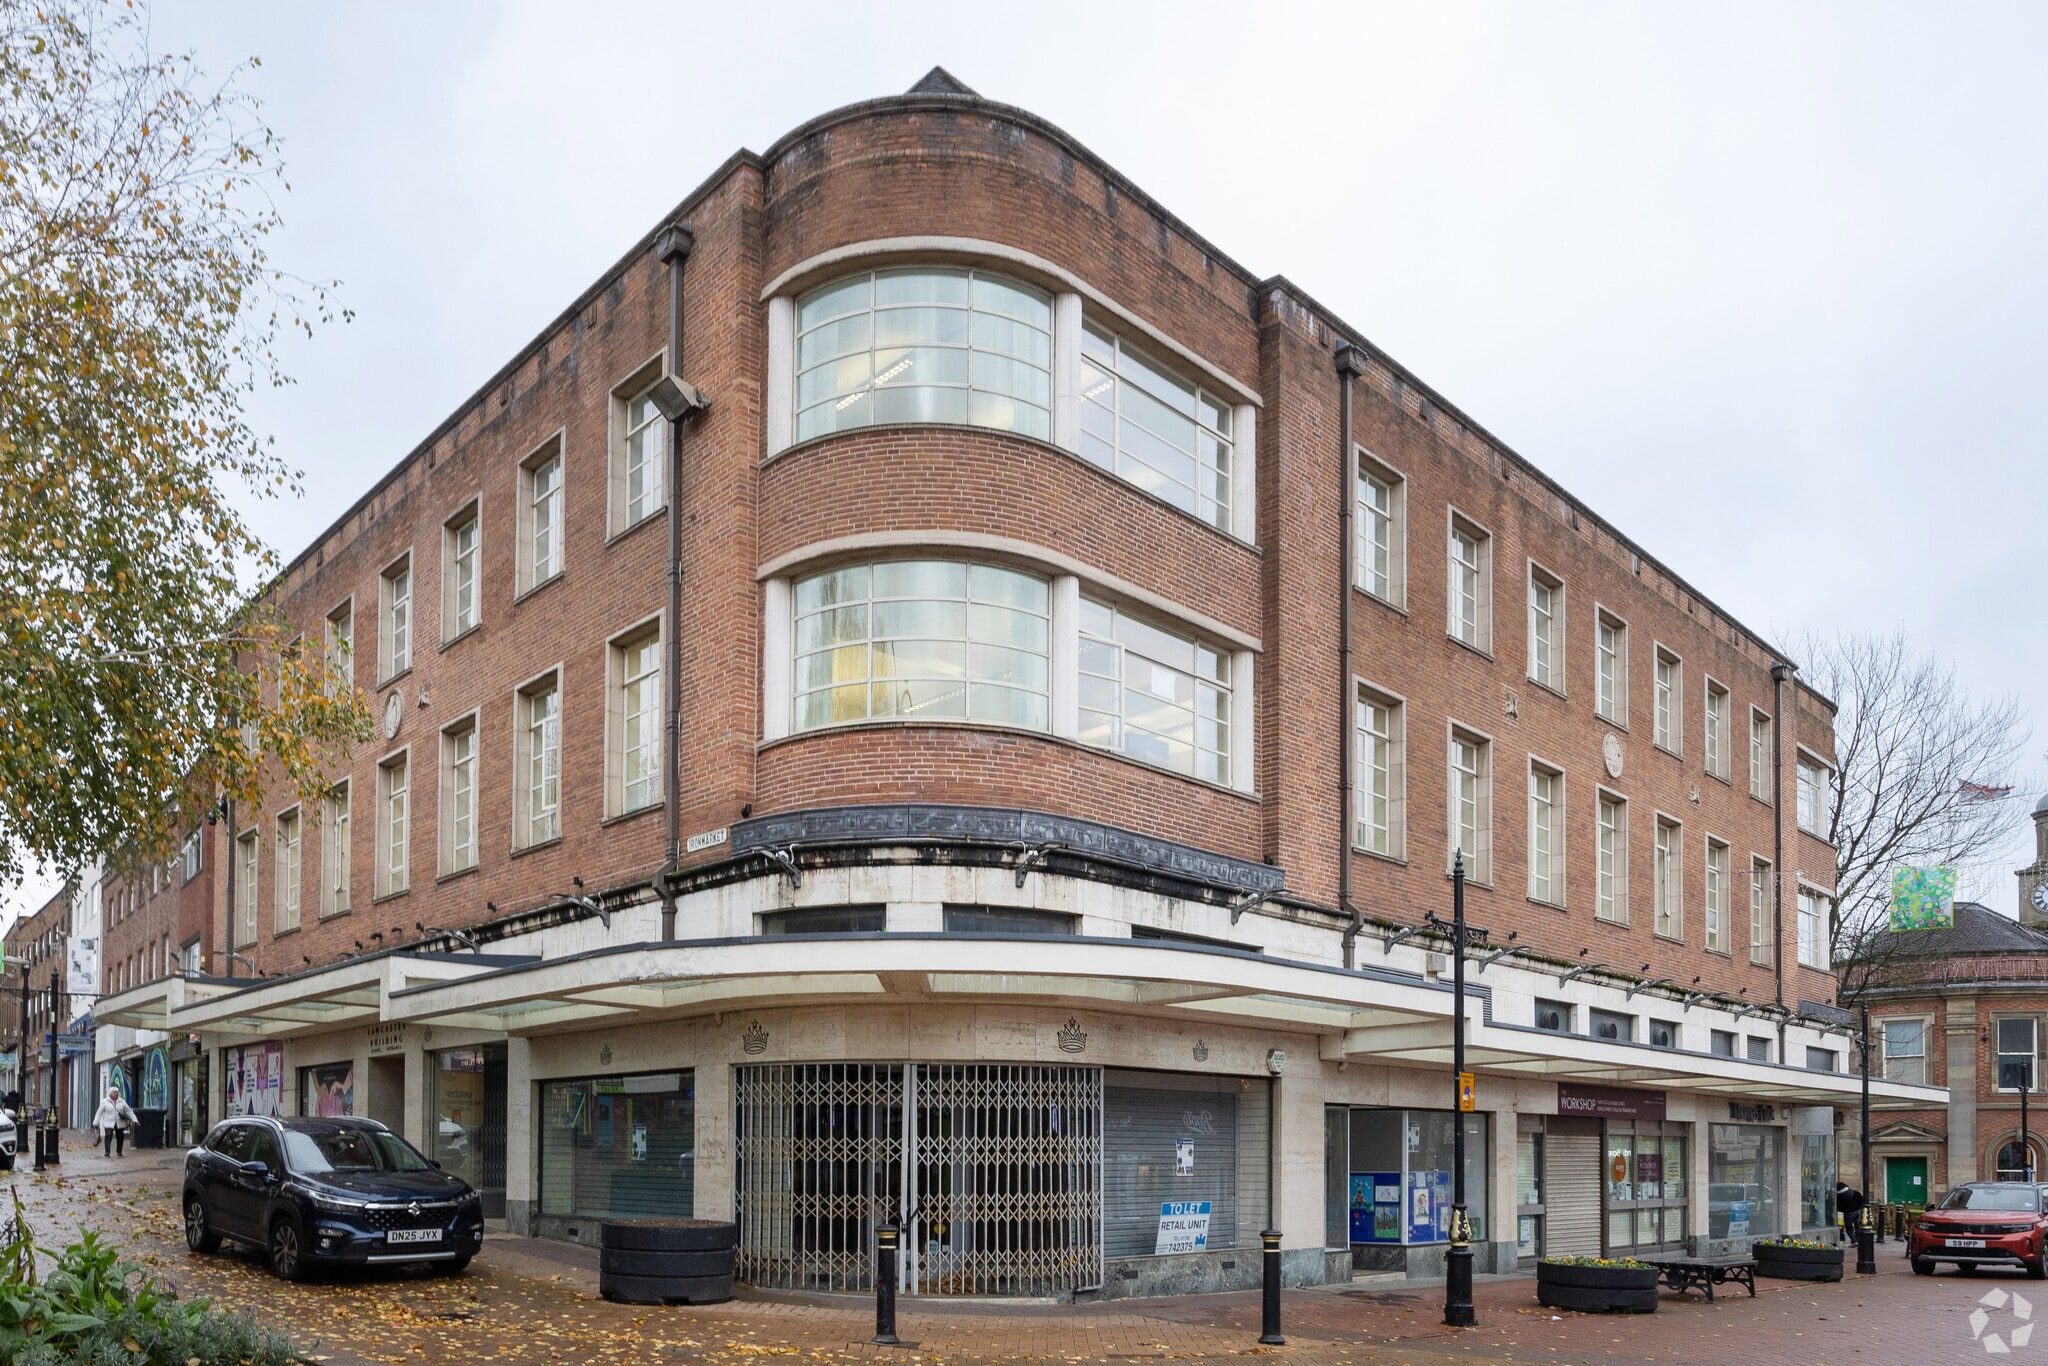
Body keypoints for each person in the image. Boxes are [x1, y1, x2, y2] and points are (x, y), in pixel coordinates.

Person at [92, 1086, 138, 1158]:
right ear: (110, 1093)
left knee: (120, 1137)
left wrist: (135, 1120)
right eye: (114, 1092)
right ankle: (107, 1152)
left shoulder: (122, 1101)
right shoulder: (104, 1102)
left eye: (117, 1092)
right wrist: (96, 1122)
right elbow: (99, 1113)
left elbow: (129, 1111)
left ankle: (119, 1151)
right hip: (108, 1122)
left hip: (119, 1122)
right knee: (108, 1135)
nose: (116, 1094)